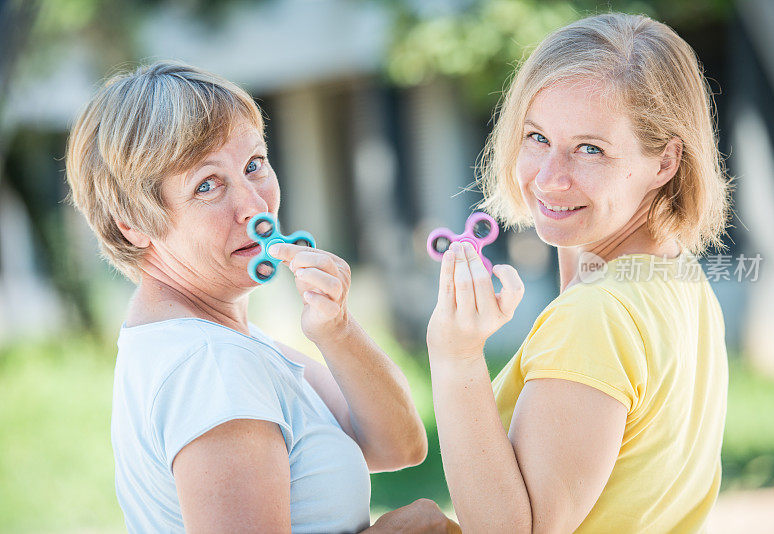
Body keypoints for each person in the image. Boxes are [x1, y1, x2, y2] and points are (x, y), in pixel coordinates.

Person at [65, 61, 455, 533]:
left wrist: (337, 329)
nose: (253, 206)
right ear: (133, 223)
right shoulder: (211, 364)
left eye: (254, 165)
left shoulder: (224, 340)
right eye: (207, 185)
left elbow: (400, 445)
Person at [426, 13, 731, 533]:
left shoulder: (595, 315)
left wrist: (455, 357)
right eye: (536, 136)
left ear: (665, 162)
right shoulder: (679, 277)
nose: (548, 178)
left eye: (590, 148)